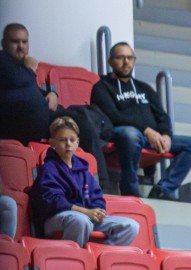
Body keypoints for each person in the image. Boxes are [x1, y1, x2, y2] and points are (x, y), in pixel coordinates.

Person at [92, 42, 191, 200]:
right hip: (121, 135)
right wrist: (146, 130)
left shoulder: (144, 88)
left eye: (130, 58)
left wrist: (165, 134)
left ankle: (163, 189)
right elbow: (113, 115)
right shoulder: (101, 87)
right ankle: (131, 192)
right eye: (120, 57)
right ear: (110, 62)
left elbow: (162, 116)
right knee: (131, 134)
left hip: (149, 138)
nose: (126, 62)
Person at [1, 24, 110, 183]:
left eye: (24, 42)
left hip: (42, 118)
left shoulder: (21, 67)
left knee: (81, 119)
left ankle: (102, 181)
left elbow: (31, 91)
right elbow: (18, 86)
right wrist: (31, 69)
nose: (21, 47)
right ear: (4, 43)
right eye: (15, 42)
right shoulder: (3, 62)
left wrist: (52, 93)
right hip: (18, 124)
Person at [29, 117, 139, 247]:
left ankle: (97, 256)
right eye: (63, 140)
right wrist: (85, 211)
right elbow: (53, 201)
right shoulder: (49, 168)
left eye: (72, 140)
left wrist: (98, 211)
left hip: (86, 216)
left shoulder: (83, 169)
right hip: (55, 218)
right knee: (81, 220)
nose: (68, 144)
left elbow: (97, 197)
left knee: (131, 226)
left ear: (77, 142)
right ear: (52, 143)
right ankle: (71, 259)